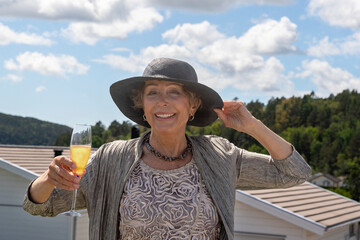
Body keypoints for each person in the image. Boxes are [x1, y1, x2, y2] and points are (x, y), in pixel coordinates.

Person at [23, 57, 312, 240]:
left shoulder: (220, 156)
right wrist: (48, 179)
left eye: (174, 92)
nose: (163, 101)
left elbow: (293, 173)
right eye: (152, 94)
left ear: (193, 105)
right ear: (143, 107)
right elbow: (40, 206)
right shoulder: (111, 159)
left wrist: (252, 125)